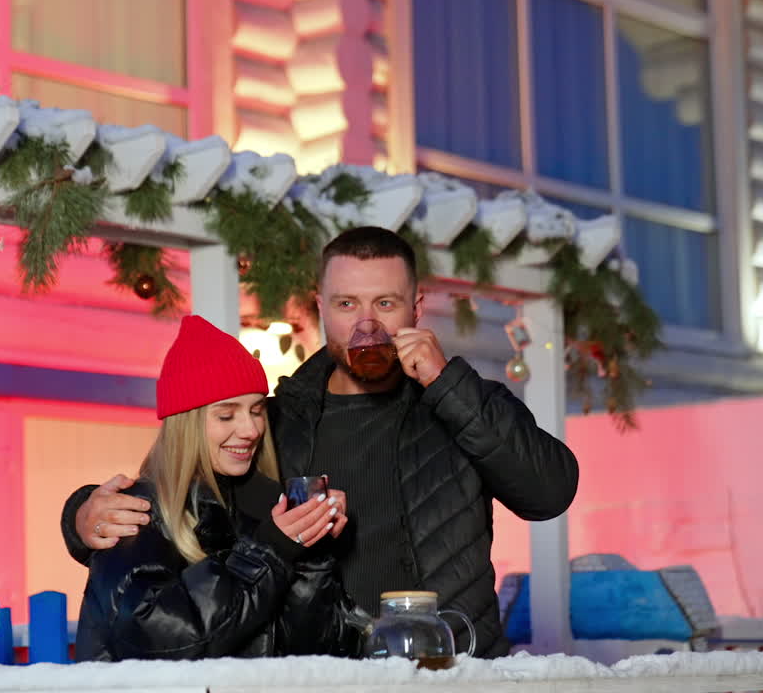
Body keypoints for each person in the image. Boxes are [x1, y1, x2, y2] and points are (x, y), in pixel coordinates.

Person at [64, 226, 579, 658]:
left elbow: (550, 493)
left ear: (416, 308)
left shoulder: (464, 402)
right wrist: (81, 515)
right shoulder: (273, 422)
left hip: (450, 672)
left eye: (385, 303)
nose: (367, 324)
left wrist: (447, 384)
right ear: (321, 308)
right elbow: (187, 499)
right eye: (346, 303)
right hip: (324, 676)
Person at [71, 314, 356, 661]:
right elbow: (160, 639)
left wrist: (310, 549)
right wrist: (271, 551)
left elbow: (316, 654)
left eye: (256, 410)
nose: (251, 430)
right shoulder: (135, 511)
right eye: (226, 415)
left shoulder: (265, 510)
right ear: (186, 424)